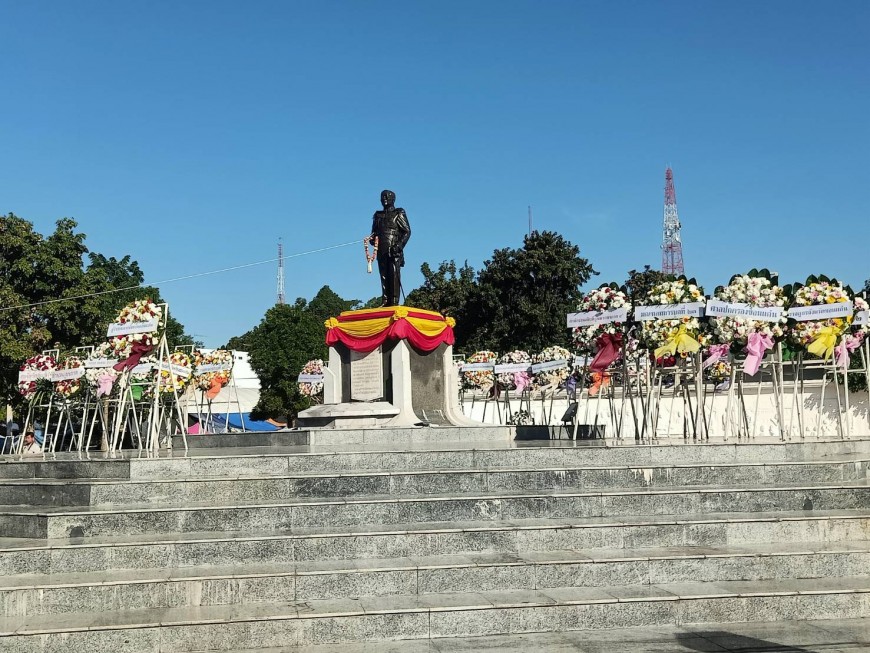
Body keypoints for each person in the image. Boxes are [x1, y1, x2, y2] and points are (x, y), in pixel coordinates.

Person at [369, 189, 411, 306]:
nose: (385, 199)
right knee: (383, 275)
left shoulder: (398, 212)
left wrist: (399, 245)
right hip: (381, 249)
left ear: (393, 199)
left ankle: (394, 300)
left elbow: (407, 231)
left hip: (394, 250)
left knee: (393, 274)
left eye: (387, 197)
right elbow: (374, 232)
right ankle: (385, 300)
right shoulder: (378, 215)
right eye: (383, 197)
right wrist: (372, 239)